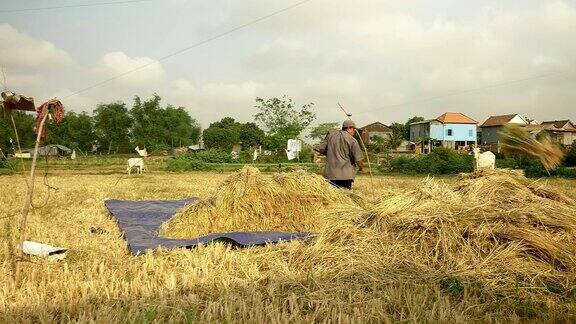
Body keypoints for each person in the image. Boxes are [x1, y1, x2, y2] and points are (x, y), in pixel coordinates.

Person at [315, 120, 364, 189]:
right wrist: (361, 168)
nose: (354, 132)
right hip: (345, 176)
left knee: (332, 197)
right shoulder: (352, 140)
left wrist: (330, 153)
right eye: (354, 129)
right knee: (344, 196)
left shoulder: (330, 135)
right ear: (349, 128)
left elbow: (320, 149)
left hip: (330, 174)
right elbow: (358, 159)